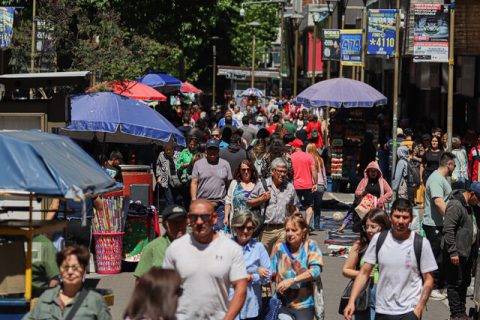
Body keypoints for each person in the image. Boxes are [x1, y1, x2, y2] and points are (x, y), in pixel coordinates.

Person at [343, 199, 437, 320]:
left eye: (405, 217)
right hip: (383, 309)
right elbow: (364, 273)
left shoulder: (421, 243)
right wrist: (351, 301)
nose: (401, 221)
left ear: (411, 218)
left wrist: (419, 309)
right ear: (391, 217)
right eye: (397, 216)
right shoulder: (379, 240)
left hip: (409, 310)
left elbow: (429, 279)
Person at [163, 199, 248, 320]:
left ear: (214, 218)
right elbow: (165, 287)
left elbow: (241, 287)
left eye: (204, 217)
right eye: (194, 217)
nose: (199, 222)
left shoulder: (231, 249)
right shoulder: (175, 248)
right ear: (188, 219)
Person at [25, 245, 111, 320]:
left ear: (84, 270)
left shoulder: (95, 301)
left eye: (75, 267)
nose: (70, 272)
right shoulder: (46, 297)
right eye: (65, 267)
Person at [271, 214, 324, 320]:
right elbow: (270, 273)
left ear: (303, 231)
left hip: (304, 304)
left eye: (294, 230)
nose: (290, 234)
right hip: (282, 304)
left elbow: (316, 271)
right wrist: (261, 272)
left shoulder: (310, 246)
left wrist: (292, 280)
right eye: (287, 230)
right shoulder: (279, 248)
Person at [342, 209, 391, 320]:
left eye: (373, 227)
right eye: (366, 226)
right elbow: (346, 270)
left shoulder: (392, 245)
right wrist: (363, 274)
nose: (369, 230)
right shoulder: (360, 245)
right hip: (365, 293)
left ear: (383, 226)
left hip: (386, 294)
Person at [443, 183, 480, 320]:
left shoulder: (472, 207)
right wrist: (453, 252)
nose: (479, 201)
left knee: (464, 282)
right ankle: (456, 314)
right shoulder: (455, 205)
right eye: (478, 198)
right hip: (457, 252)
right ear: (471, 194)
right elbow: (448, 230)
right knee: (454, 283)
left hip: (468, 252)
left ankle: (461, 311)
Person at [247, 157, 298, 254]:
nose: (283, 174)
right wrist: (261, 199)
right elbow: (249, 202)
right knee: (265, 260)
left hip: (282, 230)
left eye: (285, 172)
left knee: (280, 257)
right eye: (280, 171)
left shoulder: (290, 187)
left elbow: (293, 208)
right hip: (266, 230)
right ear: (273, 171)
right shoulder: (262, 185)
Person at [423, 152, 455, 300]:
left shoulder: (441, 178)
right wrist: (450, 220)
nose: (454, 167)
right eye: (454, 164)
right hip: (434, 224)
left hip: (439, 224)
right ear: (449, 164)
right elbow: (438, 202)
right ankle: (433, 287)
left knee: (441, 256)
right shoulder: (436, 179)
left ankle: (439, 285)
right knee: (436, 257)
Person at [230, 211, 271, 320]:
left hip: (251, 304)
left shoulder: (259, 247)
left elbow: (269, 276)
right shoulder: (225, 246)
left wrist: (253, 277)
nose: (245, 231)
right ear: (235, 228)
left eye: (250, 228)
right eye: (241, 227)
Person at [336, 161, 393, 233]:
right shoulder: (364, 181)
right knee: (355, 207)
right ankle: (344, 225)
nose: (373, 173)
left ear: (378, 172)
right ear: (367, 172)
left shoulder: (382, 181)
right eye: (371, 171)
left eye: (375, 171)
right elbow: (357, 192)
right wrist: (363, 193)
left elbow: (390, 192)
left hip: (377, 205)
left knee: (381, 223)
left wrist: (381, 200)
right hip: (365, 206)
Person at [134, 205, 187, 278]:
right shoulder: (152, 248)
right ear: (165, 225)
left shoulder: (195, 245)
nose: (180, 225)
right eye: (175, 222)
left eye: (182, 221)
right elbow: (140, 282)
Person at [191, 138, 232, 231]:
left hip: (220, 204)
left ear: (218, 150)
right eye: (210, 149)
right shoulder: (198, 164)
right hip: (202, 204)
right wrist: (193, 199)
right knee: (203, 230)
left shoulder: (225, 164)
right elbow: (194, 182)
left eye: (214, 149)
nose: (212, 152)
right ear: (206, 150)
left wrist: (228, 200)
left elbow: (229, 184)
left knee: (219, 230)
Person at [290, 139, 318, 228]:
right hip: (308, 185)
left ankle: (297, 224)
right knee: (309, 205)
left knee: (296, 205)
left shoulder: (291, 157)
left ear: (294, 147)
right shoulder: (309, 156)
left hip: (295, 185)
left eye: (292, 146)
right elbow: (314, 170)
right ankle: (307, 222)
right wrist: (315, 183)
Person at [224, 160, 258, 227]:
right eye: (243, 170)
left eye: (248, 169)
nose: (246, 172)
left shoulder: (257, 184)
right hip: (236, 221)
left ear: (252, 170)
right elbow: (228, 202)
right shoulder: (234, 183)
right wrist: (226, 217)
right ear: (239, 171)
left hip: (253, 222)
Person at [306, 143, 326, 230]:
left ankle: (310, 225)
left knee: (311, 205)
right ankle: (317, 225)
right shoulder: (320, 159)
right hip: (321, 185)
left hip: (312, 184)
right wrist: (325, 184)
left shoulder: (307, 160)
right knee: (318, 206)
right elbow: (323, 173)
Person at [176, 137, 199, 208]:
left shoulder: (198, 153)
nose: (192, 146)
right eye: (191, 144)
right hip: (185, 180)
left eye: (194, 145)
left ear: (197, 145)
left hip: (195, 178)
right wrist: (185, 165)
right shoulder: (184, 152)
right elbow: (178, 165)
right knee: (186, 198)